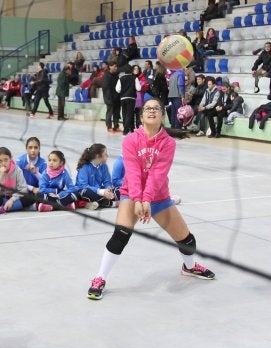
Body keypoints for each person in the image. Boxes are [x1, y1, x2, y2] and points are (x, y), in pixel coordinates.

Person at [86, 98, 215, 300]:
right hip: (132, 193)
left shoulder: (168, 143)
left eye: (156, 108)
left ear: (162, 115)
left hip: (159, 196)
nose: (152, 111)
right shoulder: (130, 140)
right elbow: (134, 173)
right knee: (121, 235)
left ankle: (189, 267)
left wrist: (148, 199)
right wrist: (138, 199)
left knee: (187, 239)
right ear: (141, 115)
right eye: (148, 108)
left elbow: (158, 174)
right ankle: (99, 278)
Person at [0, 147, 37, 214]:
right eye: (0, 161)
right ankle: (22, 207)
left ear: (10, 159)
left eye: (6, 160)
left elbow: (23, 189)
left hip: (16, 197)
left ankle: (2, 208)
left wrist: (12, 200)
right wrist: (1, 176)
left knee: (32, 196)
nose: (3, 163)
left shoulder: (17, 170)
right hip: (3, 198)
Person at [72, 143, 119, 210]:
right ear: (98, 156)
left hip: (100, 190)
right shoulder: (84, 167)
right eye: (105, 154)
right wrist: (101, 192)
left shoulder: (103, 166)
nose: (107, 156)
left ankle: (97, 202)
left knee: (119, 190)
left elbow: (107, 181)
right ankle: (111, 203)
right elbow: (83, 186)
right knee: (87, 192)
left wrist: (108, 189)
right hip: (86, 192)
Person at [116, 64, 142, 135]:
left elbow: (117, 89)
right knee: (129, 114)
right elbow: (138, 88)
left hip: (123, 98)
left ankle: (125, 128)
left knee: (124, 113)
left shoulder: (121, 78)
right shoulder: (134, 78)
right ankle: (126, 129)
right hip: (131, 98)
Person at [102, 62, 120, 133]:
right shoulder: (106, 75)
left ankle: (116, 126)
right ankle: (109, 126)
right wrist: (109, 98)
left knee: (116, 113)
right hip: (109, 98)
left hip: (116, 97)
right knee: (110, 112)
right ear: (110, 66)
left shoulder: (116, 75)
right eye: (114, 66)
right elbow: (106, 88)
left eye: (116, 66)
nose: (116, 68)